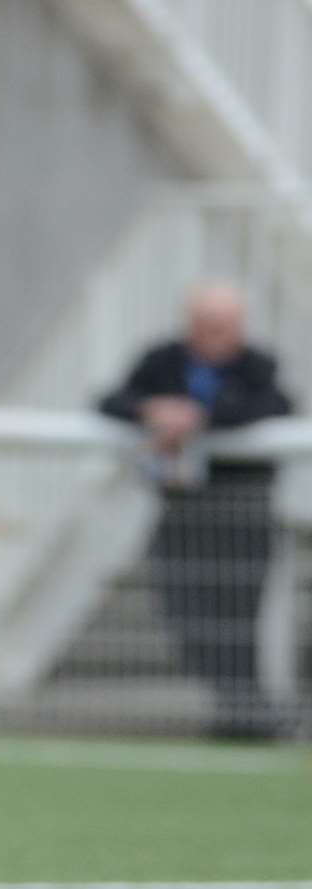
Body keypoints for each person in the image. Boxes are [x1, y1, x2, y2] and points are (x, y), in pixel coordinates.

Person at [100, 283, 294, 738]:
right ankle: (239, 707)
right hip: (182, 513)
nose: (212, 336)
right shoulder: (162, 361)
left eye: (222, 327)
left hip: (241, 515)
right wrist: (152, 410)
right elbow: (112, 400)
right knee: (182, 610)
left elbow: (273, 405)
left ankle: (248, 715)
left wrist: (198, 416)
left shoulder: (257, 365)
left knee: (238, 620)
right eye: (204, 326)